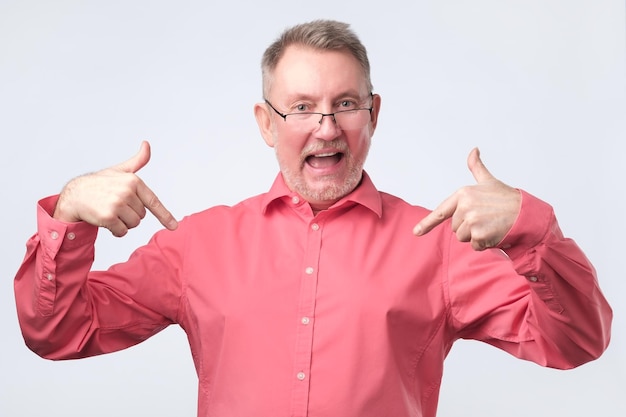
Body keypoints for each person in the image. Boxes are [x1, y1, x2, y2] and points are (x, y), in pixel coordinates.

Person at [14, 19, 612, 417]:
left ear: (373, 115)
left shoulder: (437, 245)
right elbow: (59, 334)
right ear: (266, 123)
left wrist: (535, 228)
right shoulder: (197, 245)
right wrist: (69, 219)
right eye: (302, 107)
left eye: (345, 104)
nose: (326, 127)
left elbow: (577, 342)